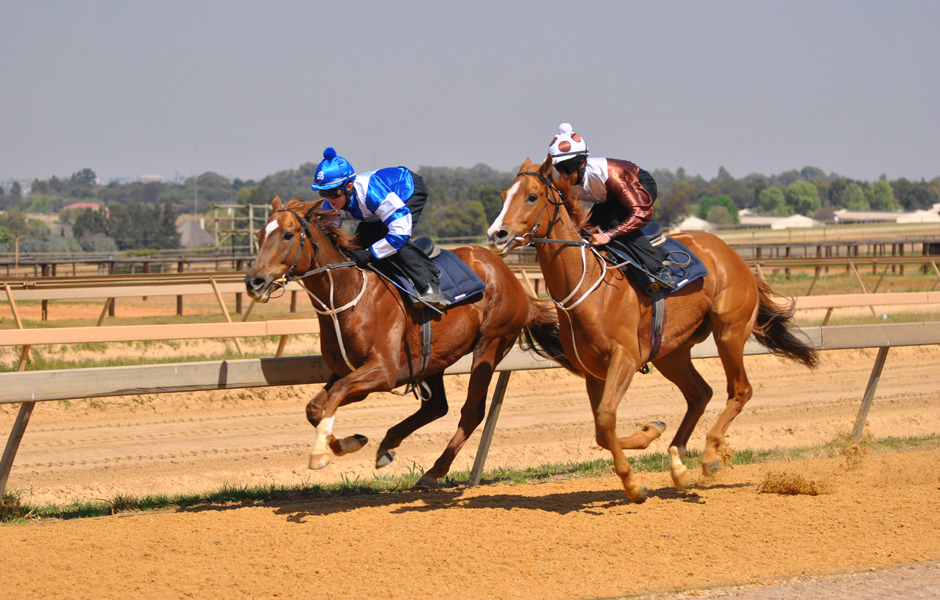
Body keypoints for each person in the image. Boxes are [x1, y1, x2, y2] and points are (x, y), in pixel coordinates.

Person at [310, 147, 447, 308]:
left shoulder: (373, 193)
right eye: (323, 193)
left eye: (333, 192)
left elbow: (399, 234)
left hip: (407, 190)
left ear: (348, 187)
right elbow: (329, 239)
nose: (329, 199)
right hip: (374, 210)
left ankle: (429, 284)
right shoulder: (331, 205)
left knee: (391, 243)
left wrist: (369, 253)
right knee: (357, 246)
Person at [547, 123, 673, 287]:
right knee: (588, 229)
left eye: (568, 169)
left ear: (582, 163)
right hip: (610, 195)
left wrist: (608, 235)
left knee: (615, 224)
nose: (564, 176)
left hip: (638, 185)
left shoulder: (609, 174)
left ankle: (658, 270)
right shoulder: (563, 184)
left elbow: (641, 213)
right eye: (559, 170)